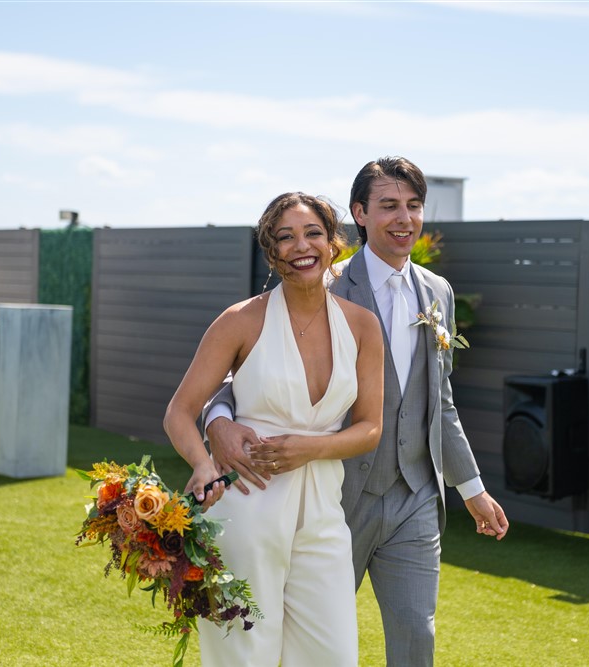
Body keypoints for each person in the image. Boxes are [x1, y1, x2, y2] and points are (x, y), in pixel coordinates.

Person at [205, 156, 510, 666]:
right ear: (359, 213)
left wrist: (471, 490)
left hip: (414, 495)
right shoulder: (316, 277)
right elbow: (247, 370)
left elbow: (441, 401)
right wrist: (218, 422)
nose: (404, 219)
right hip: (332, 495)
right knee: (305, 642)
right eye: (389, 205)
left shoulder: (438, 293)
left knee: (417, 634)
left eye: (413, 206)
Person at [163, 192, 384, 667]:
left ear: (334, 244)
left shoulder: (364, 327)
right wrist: (202, 465)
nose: (300, 245)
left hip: (324, 512)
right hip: (245, 507)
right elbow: (179, 412)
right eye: (285, 237)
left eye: (312, 233)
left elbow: (370, 429)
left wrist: (310, 448)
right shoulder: (240, 321)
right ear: (272, 252)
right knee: (241, 653)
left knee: (333, 655)